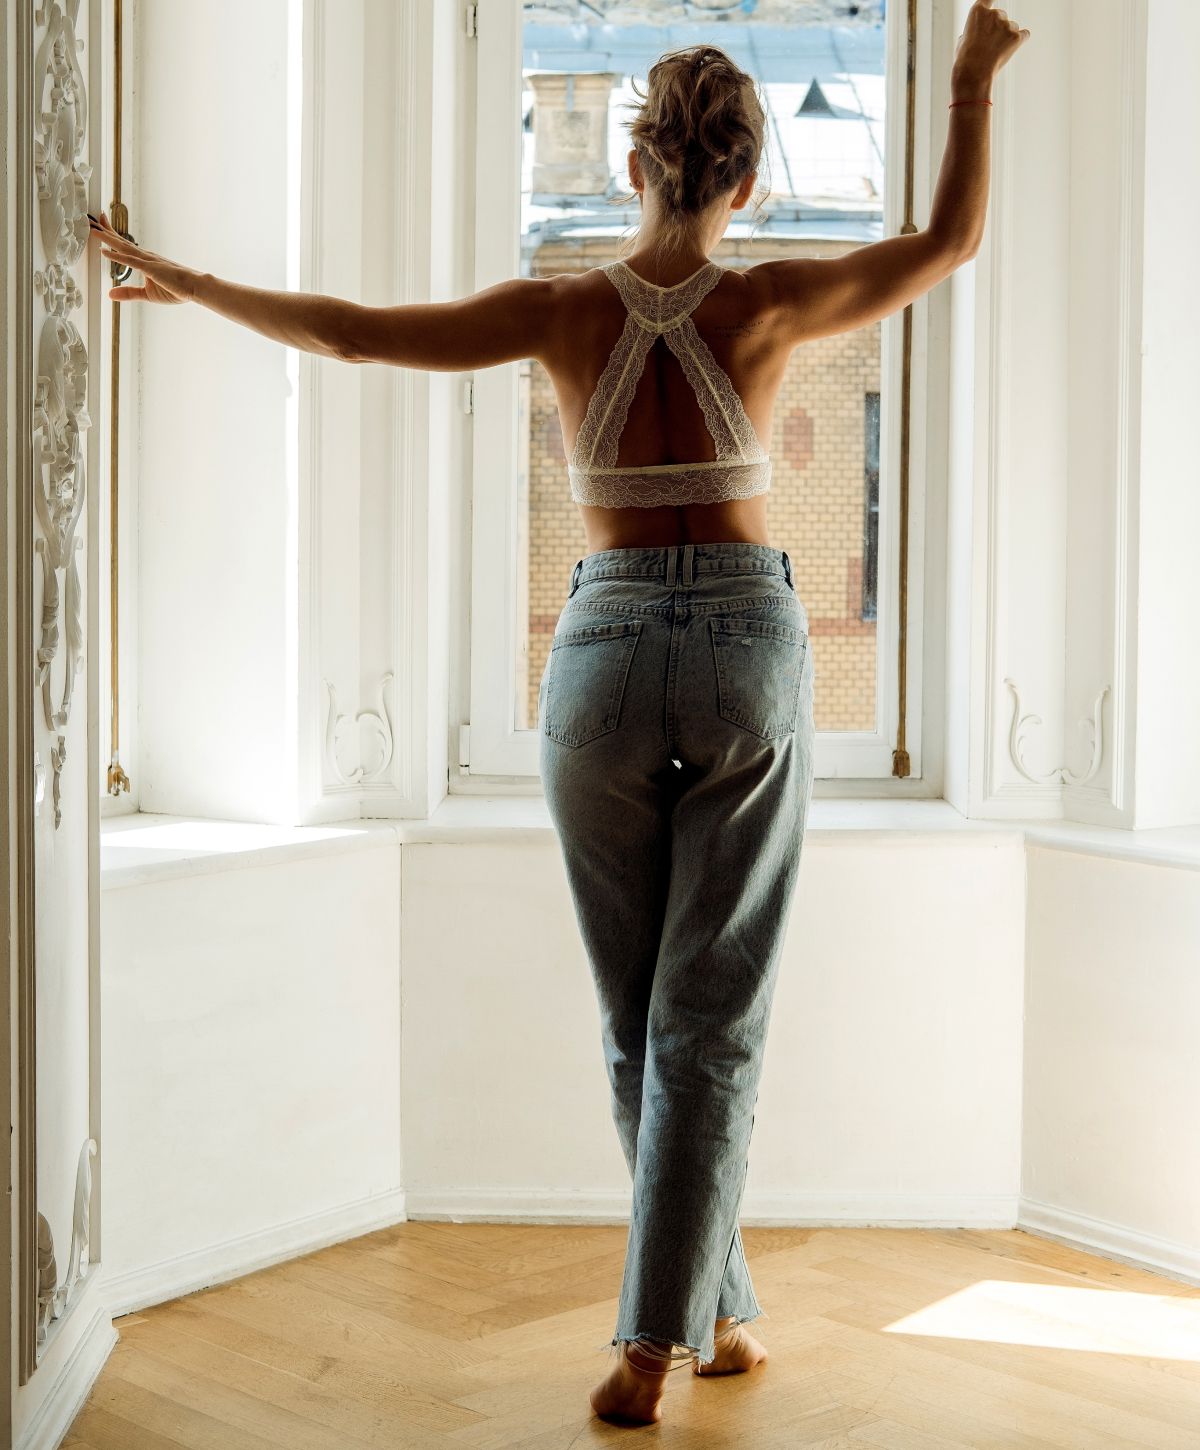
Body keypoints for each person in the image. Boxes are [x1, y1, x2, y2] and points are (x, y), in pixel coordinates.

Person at [88, 0, 1028, 1427]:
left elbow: (348, 336)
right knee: (708, 1012)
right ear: (743, 177)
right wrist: (964, 80)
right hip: (745, 647)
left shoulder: (561, 308)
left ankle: (706, 1322)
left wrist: (189, 279)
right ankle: (659, 1338)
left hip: (594, 652)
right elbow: (952, 246)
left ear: (640, 164)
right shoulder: (767, 302)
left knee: (633, 1013)